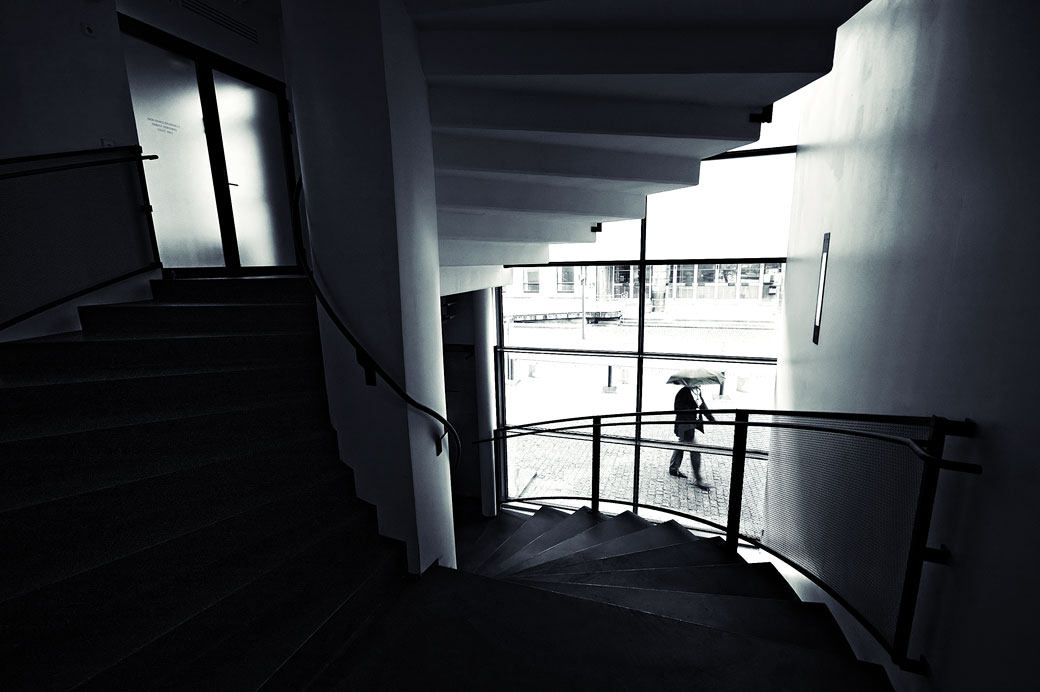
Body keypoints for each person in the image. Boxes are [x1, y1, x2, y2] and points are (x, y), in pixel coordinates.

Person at [668, 384, 715, 490]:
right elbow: (678, 409)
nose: (700, 385)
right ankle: (699, 480)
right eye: (697, 383)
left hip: (690, 425)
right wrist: (691, 414)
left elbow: (703, 406)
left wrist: (712, 419)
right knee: (695, 451)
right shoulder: (683, 393)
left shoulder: (697, 392)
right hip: (685, 426)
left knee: (681, 444)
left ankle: (673, 468)